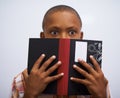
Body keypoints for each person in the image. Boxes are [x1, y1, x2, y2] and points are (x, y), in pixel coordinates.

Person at [11, 5, 110, 98]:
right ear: (43, 37)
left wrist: (101, 95)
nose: (64, 38)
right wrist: (29, 94)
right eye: (54, 32)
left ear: (81, 37)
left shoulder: (96, 80)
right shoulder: (24, 79)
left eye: (72, 32)